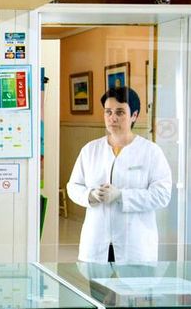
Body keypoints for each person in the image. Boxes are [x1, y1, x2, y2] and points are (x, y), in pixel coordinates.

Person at [67, 87, 172, 263]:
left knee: (134, 291)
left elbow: (162, 195)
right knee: (99, 291)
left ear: (134, 115)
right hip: (96, 244)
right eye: (108, 112)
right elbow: (73, 186)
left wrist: (121, 196)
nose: (112, 117)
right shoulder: (90, 150)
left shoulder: (150, 152)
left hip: (135, 246)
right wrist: (90, 195)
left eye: (120, 112)